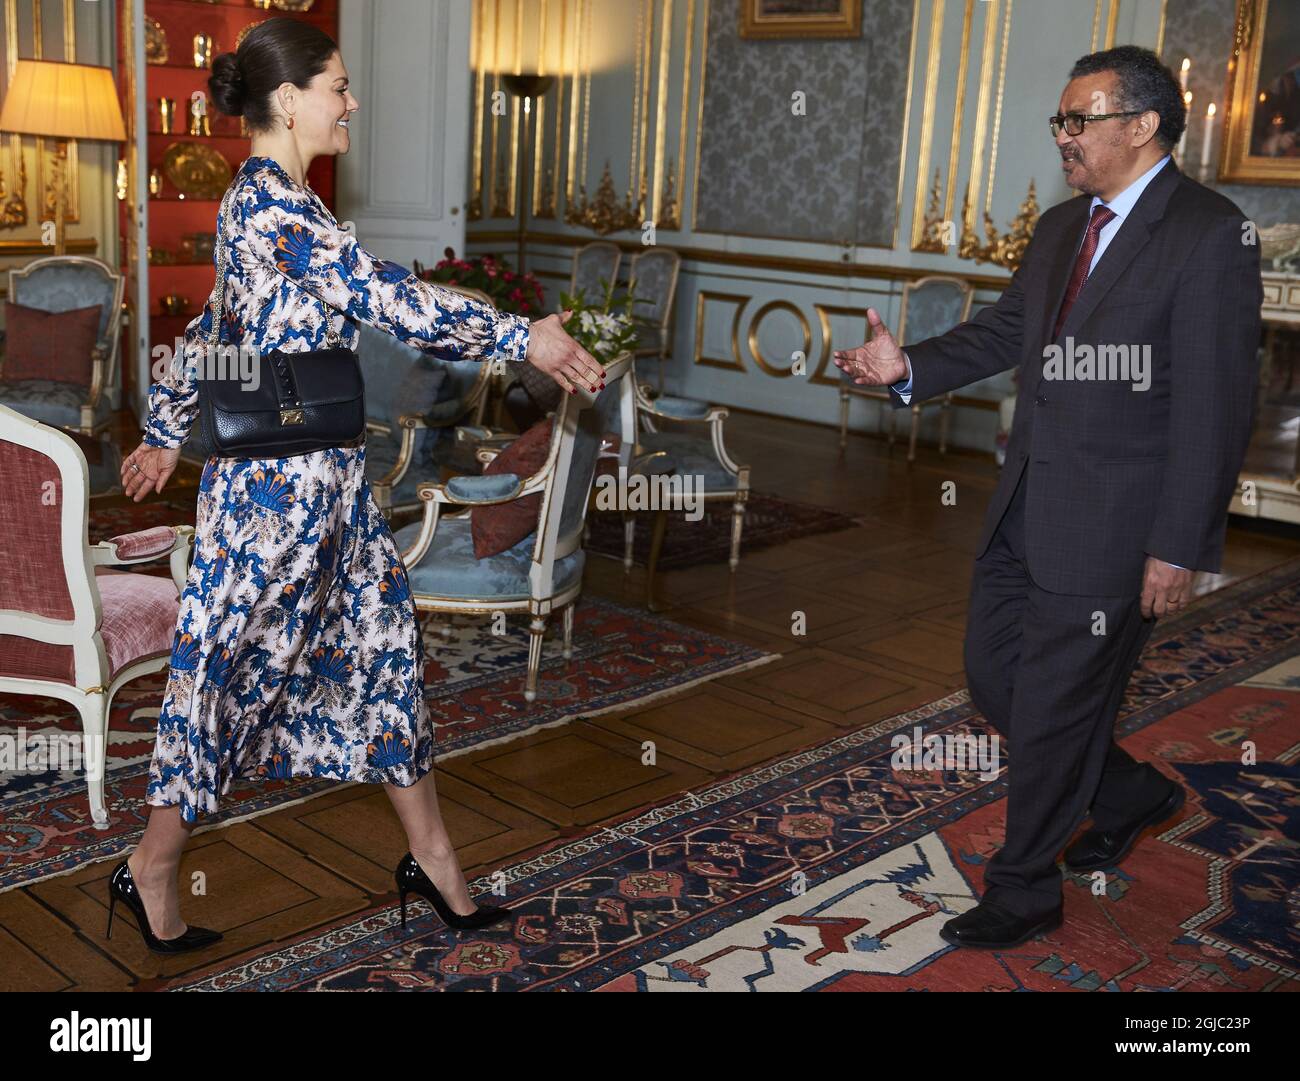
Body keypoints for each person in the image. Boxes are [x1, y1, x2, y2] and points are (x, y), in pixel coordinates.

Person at [109, 17, 605, 952]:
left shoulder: (285, 203)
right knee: (220, 683)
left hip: (332, 491)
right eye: (339, 85)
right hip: (266, 508)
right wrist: (519, 334)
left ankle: (436, 862)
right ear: (288, 99)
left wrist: (168, 429)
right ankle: (154, 863)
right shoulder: (269, 207)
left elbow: (220, 319)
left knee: (386, 658)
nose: (353, 101)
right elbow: (385, 295)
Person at [834, 45, 1261, 949]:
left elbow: (1218, 409)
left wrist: (1179, 544)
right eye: (1060, 121)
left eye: (1081, 119)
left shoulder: (1209, 232)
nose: (1063, 136)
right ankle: (1129, 791)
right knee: (997, 675)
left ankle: (1023, 886)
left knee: (1059, 704)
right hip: (1026, 501)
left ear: (1141, 126)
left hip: (1119, 525)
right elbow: (1005, 330)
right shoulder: (1066, 225)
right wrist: (909, 365)